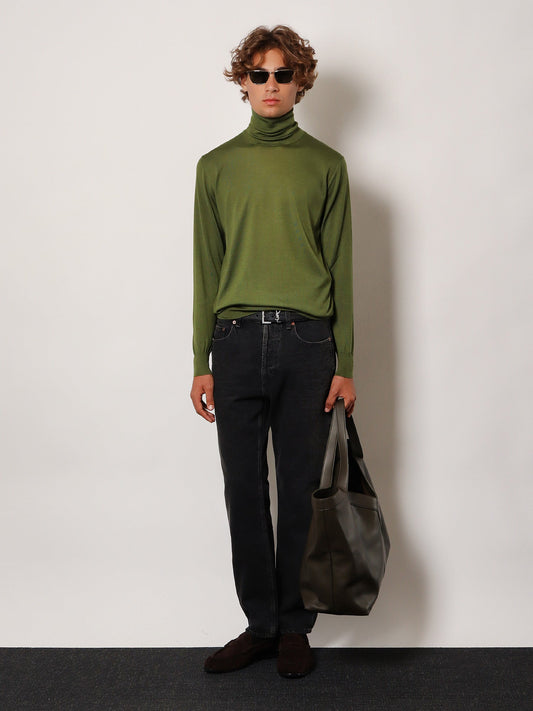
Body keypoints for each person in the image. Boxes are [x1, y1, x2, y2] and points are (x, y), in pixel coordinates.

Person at [190, 24, 356, 678]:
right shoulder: (215, 167)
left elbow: (341, 268)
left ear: (299, 82)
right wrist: (199, 361)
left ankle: (293, 625)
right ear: (242, 81)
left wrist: (346, 363)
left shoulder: (326, 166)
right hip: (234, 343)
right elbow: (206, 268)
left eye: (282, 74)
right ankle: (259, 624)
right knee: (242, 488)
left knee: (300, 488)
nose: (270, 85)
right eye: (258, 74)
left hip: (306, 343)